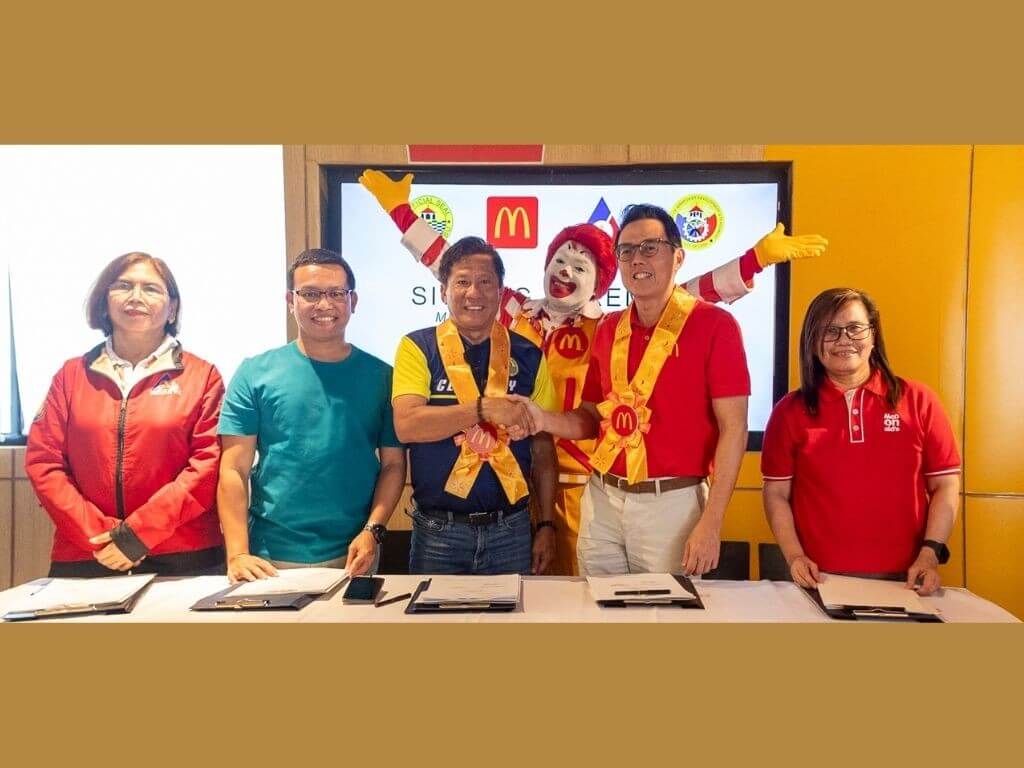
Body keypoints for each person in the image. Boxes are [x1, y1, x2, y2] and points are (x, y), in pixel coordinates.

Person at [360, 169, 825, 574]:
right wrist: (401, 212)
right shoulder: (519, 311)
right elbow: (456, 270)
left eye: (579, 266)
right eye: (559, 260)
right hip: (526, 484)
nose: (565, 271)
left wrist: (756, 258)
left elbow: (685, 294)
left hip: (591, 482)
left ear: (602, 280)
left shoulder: (608, 326)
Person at [513, 204, 751, 576]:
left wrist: (713, 520)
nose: (637, 259)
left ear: (678, 257)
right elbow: (591, 418)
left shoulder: (714, 325)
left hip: (671, 503)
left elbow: (734, 429)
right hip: (602, 496)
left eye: (650, 247)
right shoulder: (609, 328)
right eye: (627, 251)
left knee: (666, 620)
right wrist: (542, 419)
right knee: (597, 612)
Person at [25, 252, 225, 577]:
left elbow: (206, 466)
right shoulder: (70, 376)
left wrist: (138, 535)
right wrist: (102, 536)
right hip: (88, 552)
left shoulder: (202, 376)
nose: (136, 297)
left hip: (184, 554)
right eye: (123, 286)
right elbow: (44, 463)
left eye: (151, 288)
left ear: (172, 308)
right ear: (104, 302)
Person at [217, 248, 406, 582]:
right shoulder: (254, 373)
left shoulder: (383, 377)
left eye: (336, 293)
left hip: (355, 554)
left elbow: (393, 465)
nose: (324, 304)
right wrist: (238, 553)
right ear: (291, 301)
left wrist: (372, 531)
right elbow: (233, 469)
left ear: (353, 301)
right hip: (267, 558)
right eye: (311, 294)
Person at [760, 288, 960, 595]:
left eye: (854, 328)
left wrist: (929, 554)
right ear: (813, 342)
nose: (844, 340)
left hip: (907, 580)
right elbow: (775, 494)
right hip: (818, 581)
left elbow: (945, 485)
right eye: (830, 331)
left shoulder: (919, 401)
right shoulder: (789, 412)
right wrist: (794, 556)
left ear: (873, 335)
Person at [392, 237, 558, 575]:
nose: (474, 293)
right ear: (443, 291)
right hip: (439, 532)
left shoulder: (529, 354)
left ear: (500, 291)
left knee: (511, 626)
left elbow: (543, 451)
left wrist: (546, 526)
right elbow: (407, 424)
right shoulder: (416, 347)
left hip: (511, 530)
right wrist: (482, 410)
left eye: (485, 283)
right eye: (462, 282)